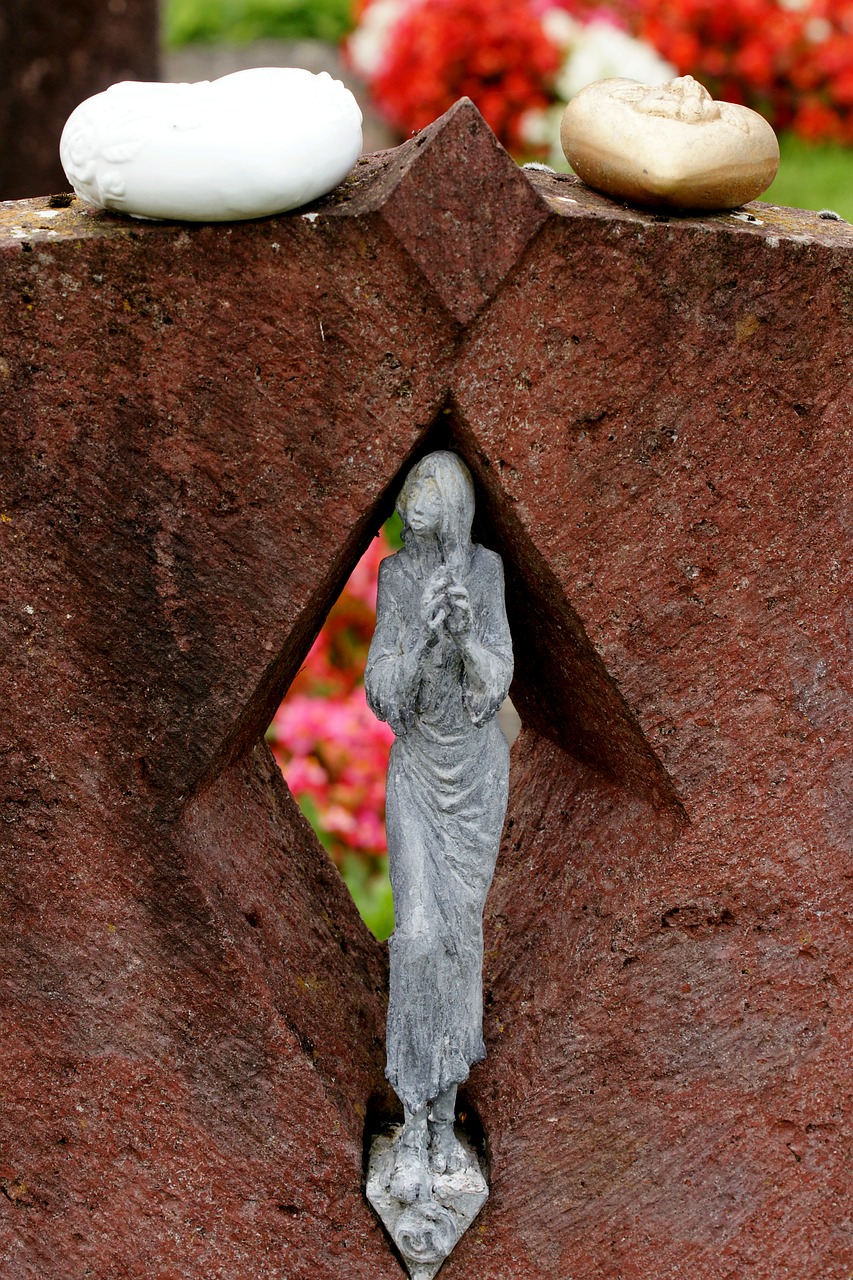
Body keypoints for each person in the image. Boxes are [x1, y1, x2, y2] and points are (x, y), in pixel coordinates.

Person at [365, 450, 513, 1201]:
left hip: (477, 779)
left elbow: (495, 682)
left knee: (459, 942)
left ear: (452, 498)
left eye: (428, 485)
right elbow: (381, 694)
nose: (412, 496)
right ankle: (409, 1118)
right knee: (417, 934)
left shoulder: (482, 571)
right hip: (418, 772)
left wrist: (459, 634)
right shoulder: (395, 576)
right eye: (411, 483)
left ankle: (442, 1122)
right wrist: (422, 638)